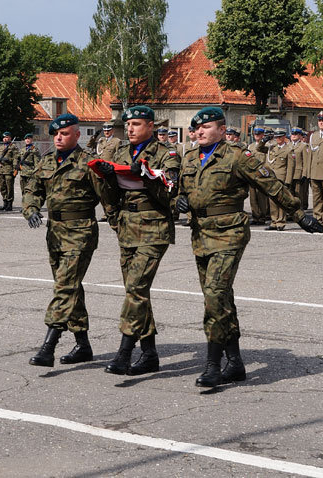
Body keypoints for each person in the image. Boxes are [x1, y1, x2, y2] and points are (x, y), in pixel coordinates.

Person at [175, 107, 323, 388]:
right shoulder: (190, 157)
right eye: (198, 129)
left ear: (222, 129)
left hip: (229, 232)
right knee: (220, 298)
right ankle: (235, 363)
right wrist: (178, 202)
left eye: (207, 128)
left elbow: (270, 184)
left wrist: (299, 214)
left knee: (215, 297)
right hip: (200, 234)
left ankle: (213, 366)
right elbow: (179, 192)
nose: (201, 132)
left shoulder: (237, 156)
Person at [98, 105, 180, 376]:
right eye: (128, 124)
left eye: (136, 124)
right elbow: (111, 194)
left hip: (153, 227)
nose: (130, 129)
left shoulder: (165, 154)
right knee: (136, 293)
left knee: (135, 288)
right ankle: (149, 354)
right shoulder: (120, 152)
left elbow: (170, 194)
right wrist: (108, 182)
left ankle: (124, 352)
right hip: (127, 227)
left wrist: (147, 177)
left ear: (150, 126)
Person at [23, 113, 107, 367]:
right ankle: (83, 345)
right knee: (72, 287)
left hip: (80, 231)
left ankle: (49, 345)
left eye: (65, 133)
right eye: (56, 134)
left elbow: (109, 197)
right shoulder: (46, 161)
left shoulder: (89, 162)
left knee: (65, 287)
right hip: (55, 232)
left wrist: (120, 224)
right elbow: (32, 189)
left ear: (77, 135)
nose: (59, 137)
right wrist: (31, 209)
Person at [264, 128, 291, 230]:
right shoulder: (272, 148)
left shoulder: (288, 150)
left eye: (280, 137)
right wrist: (264, 140)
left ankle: (281, 221)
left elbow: (290, 167)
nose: (278, 139)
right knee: (272, 200)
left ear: (284, 137)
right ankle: (274, 220)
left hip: (282, 177)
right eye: (276, 137)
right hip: (272, 178)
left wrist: (288, 181)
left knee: (281, 200)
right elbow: (259, 149)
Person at [247, 127, 271, 225]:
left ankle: (262, 217)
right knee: (253, 198)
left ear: (262, 135)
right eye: (255, 134)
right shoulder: (250, 146)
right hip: (252, 174)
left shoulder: (267, 146)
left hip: (261, 174)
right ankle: (255, 216)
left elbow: (267, 160)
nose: (256, 136)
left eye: (259, 134)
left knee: (261, 197)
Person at [0, 132, 19, 211]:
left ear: (10, 138)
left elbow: (16, 158)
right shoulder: (1, 147)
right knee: (2, 187)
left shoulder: (13, 147)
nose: (6, 139)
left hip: (9, 170)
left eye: (7, 137)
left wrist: (11, 163)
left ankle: (9, 204)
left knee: (9, 187)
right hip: (1, 170)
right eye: (4, 137)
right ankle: (4, 203)